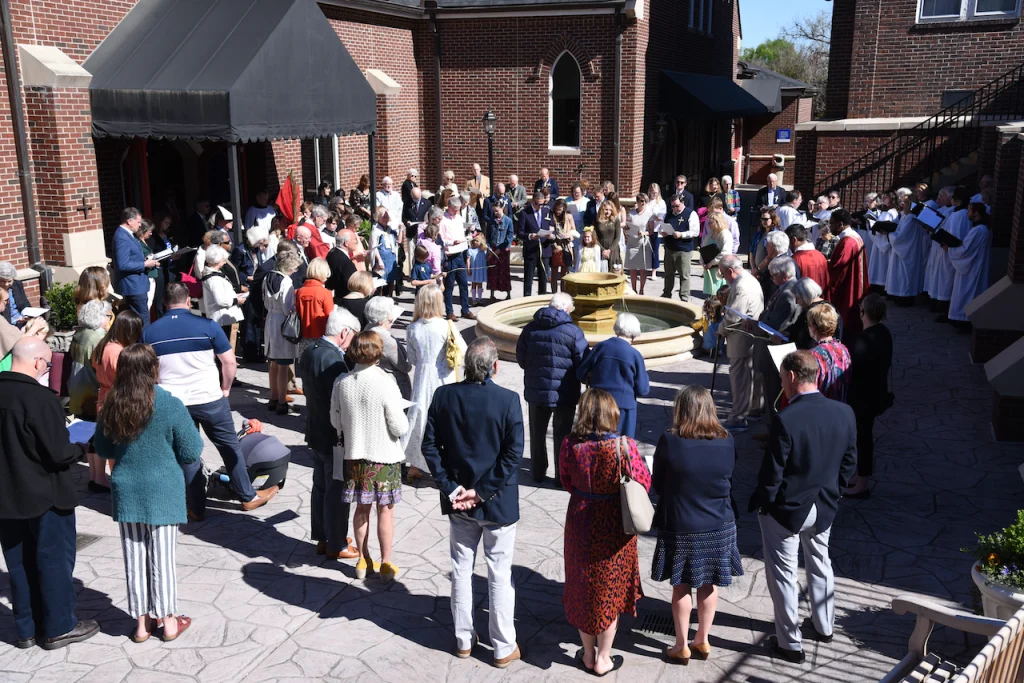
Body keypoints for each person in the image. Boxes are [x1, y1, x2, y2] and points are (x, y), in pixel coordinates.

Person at [421, 337, 524, 667]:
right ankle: (503, 646)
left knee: (461, 570)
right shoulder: (508, 400)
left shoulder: (444, 396)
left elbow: (429, 447)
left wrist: (454, 490)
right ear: (495, 366)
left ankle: (463, 639)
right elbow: (512, 456)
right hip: (495, 505)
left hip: (460, 503)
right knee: (498, 574)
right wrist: (480, 492)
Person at [750, 350, 857, 663]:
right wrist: (834, 493)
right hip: (824, 506)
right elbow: (850, 462)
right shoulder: (845, 413)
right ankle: (824, 626)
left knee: (783, 574)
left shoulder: (785, 419)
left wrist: (765, 504)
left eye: (782, 376)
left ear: (792, 377)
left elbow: (772, 473)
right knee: (821, 561)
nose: (782, 381)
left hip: (787, 510)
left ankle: (790, 643)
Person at [92, 343, 202, 644]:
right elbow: (192, 451)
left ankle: (141, 624)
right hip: (163, 488)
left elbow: (101, 448)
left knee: (134, 555)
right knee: (162, 558)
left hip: (127, 487)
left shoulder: (112, 403)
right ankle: (168, 621)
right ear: (154, 368)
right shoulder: (168, 403)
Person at [144, 283, 277, 519]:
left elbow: (148, 370)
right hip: (209, 398)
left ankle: (195, 507)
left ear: (164, 303)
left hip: (173, 404)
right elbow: (229, 362)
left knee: (188, 453)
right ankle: (247, 496)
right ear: (188, 301)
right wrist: (225, 388)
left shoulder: (150, 332)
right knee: (229, 446)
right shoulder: (207, 326)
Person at [0, 337, 99, 650]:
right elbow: (58, 453)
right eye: (47, 364)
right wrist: (79, 447)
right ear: (38, 363)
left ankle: (26, 629)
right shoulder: (40, 399)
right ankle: (59, 627)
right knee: (53, 560)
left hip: (6, 498)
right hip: (46, 496)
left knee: (18, 563)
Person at [560, 388, 651, 676]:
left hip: (580, 521)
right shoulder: (623, 447)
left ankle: (587, 655)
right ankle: (604, 658)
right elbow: (644, 483)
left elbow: (566, 481)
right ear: (612, 413)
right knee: (608, 591)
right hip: (614, 524)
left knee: (583, 587)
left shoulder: (569, 445)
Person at [651, 386, 742, 664]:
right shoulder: (727, 439)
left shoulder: (670, 441)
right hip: (719, 524)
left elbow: (658, 484)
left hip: (682, 523)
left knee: (681, 587)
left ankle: (681, 645)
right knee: (709, 584)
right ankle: (702, 639)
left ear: (681, 409)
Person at [330, 331, 410, 582]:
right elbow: (399, 427)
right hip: (384, 456)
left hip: (355, 455)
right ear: (378, 352)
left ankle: (363, 561)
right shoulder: (386, 381)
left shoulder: (342, 382)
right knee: (385, 511)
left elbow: (335, 420)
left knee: (361, 509)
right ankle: (386, 564)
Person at [297, 308, 361, 561]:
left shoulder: (310, 350)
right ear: (345, 332)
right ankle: (336, 542)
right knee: (337, 489)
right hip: (334, 435)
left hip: (316, 429)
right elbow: (343, 400)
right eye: (354, 336)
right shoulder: (334, 360)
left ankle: (323, 537)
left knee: (321, 486)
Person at [516, 292, 589, 486]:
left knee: (537, 434)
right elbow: (582, 364)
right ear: (566, 309)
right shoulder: (574, 332)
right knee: (563, 435)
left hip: (536, 390)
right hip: (564, 392)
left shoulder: (530, 328)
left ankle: (538, 473)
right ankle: (560, 477)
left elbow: (521, 358)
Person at [405, 285, 467, 480]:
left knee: (420, 417)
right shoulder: (446, 325)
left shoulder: (412, 328)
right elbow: (463, 350)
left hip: (422, 377)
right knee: (445, 419)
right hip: (444, 376)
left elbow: (412, 358)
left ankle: (415, 464)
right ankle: (445, 463)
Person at [846, 294, 892, 498]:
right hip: (876, 392)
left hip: (862, 396)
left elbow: (850, 367)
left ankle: (862, 482)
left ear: (863, 313)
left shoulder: (862, 339)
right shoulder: (884, 333)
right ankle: (858, 475)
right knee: (862, 436)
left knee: (862, 437)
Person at [577, 312, 650, 438]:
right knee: (621, 447)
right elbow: (643, 389)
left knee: (597, 444)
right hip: (623, 408)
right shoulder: (634, 355)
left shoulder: (600, 347)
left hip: (598, 404)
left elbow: (581, 374)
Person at [751, 256, 803, 424]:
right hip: (774, 349)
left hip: (775, 351)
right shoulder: (786, 287)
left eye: (773, 275)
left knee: (773, 392)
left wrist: (755, 324)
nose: (771, 278)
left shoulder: (789, 293)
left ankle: (774, 432)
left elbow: (775, 325)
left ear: (785, 275)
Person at [719, 255, 765, 431]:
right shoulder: (749, 279)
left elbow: (733, 316)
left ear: (731, 271)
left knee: (740, 379)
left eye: (723, 274)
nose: (724, 278)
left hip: (741, 338)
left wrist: (720, 330)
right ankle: (754, 409)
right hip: (750, 336)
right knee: (751, 375)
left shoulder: (742, 286)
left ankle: (738, 417)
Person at [263, 251, 301, 415]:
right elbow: (287, 308)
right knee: (284, 364)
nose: (295, 271)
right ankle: (281, 401)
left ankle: (273, 397)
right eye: (294, 268)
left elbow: (265, 302)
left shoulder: (267, 277)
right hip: (281, 322)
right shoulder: (286, 282)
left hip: (270, 319)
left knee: (273, 363)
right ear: (287, 267)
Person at [947, 202, 992, 331]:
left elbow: (965, 251)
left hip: (972, 268)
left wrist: (950, 249)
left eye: (969, 210)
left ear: (976, 212)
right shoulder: (980, 229)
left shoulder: (978, 230)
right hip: (975, 265)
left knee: (967, 293)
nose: (967, 213)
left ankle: (963, 320)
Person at [113, 207, 160, 329]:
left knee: (139, 319)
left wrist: (146, 260)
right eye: (138, 222)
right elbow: (122, 264)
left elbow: (131, 258)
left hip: (137, 284)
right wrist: (144, 264)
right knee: (142, 319)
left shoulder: (128, 235)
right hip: (133, 286)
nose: (140, 225)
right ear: (129, 221)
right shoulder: (122, 237)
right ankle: (143, 346)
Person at [826, 209, 869, 340]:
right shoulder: (854, 237)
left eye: (832, 223)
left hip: (848, 288)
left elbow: (839, 268)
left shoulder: (847, 242)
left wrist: (823, 265)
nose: (830, 227)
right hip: (855, 283)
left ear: (840, 224)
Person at [68, 299, 112, 423]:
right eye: (109, 316)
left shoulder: (79, 332)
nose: (110, 320)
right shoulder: (99, 337)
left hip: (77, 392)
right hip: (92, 395)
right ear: (101, 316)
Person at [94, 309, 144, 413]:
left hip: (103, 400)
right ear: (131, 332)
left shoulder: (102, 345)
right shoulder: (118, 352)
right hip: (118, 403)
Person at [365, 296, 413, 399]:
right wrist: (410, 365)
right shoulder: (385, 339)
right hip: (391, 383)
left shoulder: (368, 328)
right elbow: (403, 367)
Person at [884, 193, 927, 305]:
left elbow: (901, 238)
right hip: (903, 250)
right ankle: (900, 296)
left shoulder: (911, 218)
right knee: (901, 275)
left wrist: (889, 234)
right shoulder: (905, 217)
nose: (903, 204)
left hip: (908, 251)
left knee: (905, 275)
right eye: (903, 202)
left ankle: (905, 297)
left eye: (906, 202)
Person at [807, 303, 852, 402]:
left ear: (813, 327)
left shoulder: (813, 355)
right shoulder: (843, 349)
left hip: (821, 407)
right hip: (840, 404)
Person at [440, 196, 475, 321]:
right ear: (449, 207)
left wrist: (468, 236)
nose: (457, 212)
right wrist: (451, 242)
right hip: (449, 255)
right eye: (455, 210)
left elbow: (461, 234)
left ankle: (465, 309)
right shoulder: (443, 220)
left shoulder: (459, 218)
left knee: (464, 283)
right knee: (449, 285)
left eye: (458, 210)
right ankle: (449, 311)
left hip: (460, 253)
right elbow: (441, 239)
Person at [659, 193, 700, 301]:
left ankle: (684, 297)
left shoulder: (691, 214)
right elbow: (661, 227)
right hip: (669, 248)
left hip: (683, 249)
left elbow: (695, 232)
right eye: (673, 206)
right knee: (668, 274)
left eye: (677, 206)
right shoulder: (668, 215)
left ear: (682, 203)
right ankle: (667, 294)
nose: (675, 209)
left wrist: (682, 234)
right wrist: (662, 232)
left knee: (684, 275)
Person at [201, 246, 245, 346]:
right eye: (223, 260)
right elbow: (221, 300)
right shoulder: (214, 279)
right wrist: (236, 300)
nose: (225, 262)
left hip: (222, 318)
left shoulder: (213, 275)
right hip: (222, 319)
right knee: (223, 347)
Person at [295, 257, 335, 358]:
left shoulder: (299, 292)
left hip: (303, 337)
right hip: (320, 337)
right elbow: (330, 316)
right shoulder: (325, 293)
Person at [519, 190, 553, 297]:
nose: (540, 207)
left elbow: (553, 227)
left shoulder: (547, 212)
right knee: (528, 278)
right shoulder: (524, 213)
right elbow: (519, 233)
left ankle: (542, 300)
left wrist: (552, 235)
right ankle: (526, 300)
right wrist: (529, 236)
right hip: (531, 250)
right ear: (533, 202)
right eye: (538, 204)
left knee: (543, 277)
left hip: (544, 249)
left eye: (542, 204)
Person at [791, 278, 842, 350]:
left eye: (797, 298)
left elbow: (800, 339)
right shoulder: (831, 308)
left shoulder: (811, 313)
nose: (796, 302)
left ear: (805, 296)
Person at [623, 193, 655, 294]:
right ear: (636, 202)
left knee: (643, 268)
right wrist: (626, 229)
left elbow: (651, 230)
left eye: (644, 201)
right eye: (640, 201)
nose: (642, 203)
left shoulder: (649, 213)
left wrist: (644, 232)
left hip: (643, 243)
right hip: (632, 241)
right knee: (632, 268)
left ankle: (641, 289)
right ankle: (633, 289)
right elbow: (627, 226)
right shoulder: (631, 213)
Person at [787, 224, 830, 293]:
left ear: (794, 240)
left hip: (803, 300)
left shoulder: (795, 259)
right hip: (821, 300)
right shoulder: (821, 256)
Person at [369, 206, 401, 295]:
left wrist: (401, 229)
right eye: (383, 217)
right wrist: (379, 261)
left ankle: (389, 299)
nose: (385, 219)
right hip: (382, 260)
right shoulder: (376, 231)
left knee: (390, 282)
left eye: (386, 217)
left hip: (391, 259)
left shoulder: (390, 229)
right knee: (380, 284)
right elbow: (373, 247)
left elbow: (398, 240)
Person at [487, 200, 514, 300]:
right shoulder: (491, 221)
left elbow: (510, 236)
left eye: (497, 211)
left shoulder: (508, 221)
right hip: (493, 249)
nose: (495, 213)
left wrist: (501, 248)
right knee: (492, 271)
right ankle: (492, 294)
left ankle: (508, 293)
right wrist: (489, 247)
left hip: (503, 250)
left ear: (502, 208)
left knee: (504, 272)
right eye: (494, 211)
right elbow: (488, 236)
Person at [701, 213, 733, 296]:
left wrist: (711, 263)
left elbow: (725, 253)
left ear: (718, 222)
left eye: (710, 223)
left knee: (719, 295)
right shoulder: (710, 234)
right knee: (711, 295)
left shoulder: (725, 234)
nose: (708, 225)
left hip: (719, 271)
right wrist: (703, 262)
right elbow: (703, 249)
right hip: (709, 269)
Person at [326, 227, 359, 305]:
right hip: (343, 301)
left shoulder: (332, 253)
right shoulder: (344, 260)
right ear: (346, 243)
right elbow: (351, 283)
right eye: (354, 239)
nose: (357, 242)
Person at [594, 199, 623, 273]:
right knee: (602, 273)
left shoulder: (616, 220)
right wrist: (603, 250)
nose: (608, 212)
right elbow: (595, 237)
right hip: (601, 248)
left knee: (614, 272)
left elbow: (617, 237)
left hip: (613, 249)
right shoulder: (597, 221)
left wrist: (609, 250)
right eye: (606, 209)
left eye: (610, 210)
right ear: (602, 210)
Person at [0, 261, 29, 326]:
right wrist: (15, 320)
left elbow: (25, 304)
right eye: (3, 281)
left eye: (9, 281)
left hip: (22, 320)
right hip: (7, 325)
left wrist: (27, 316)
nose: (6, 284)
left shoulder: (17, 285)